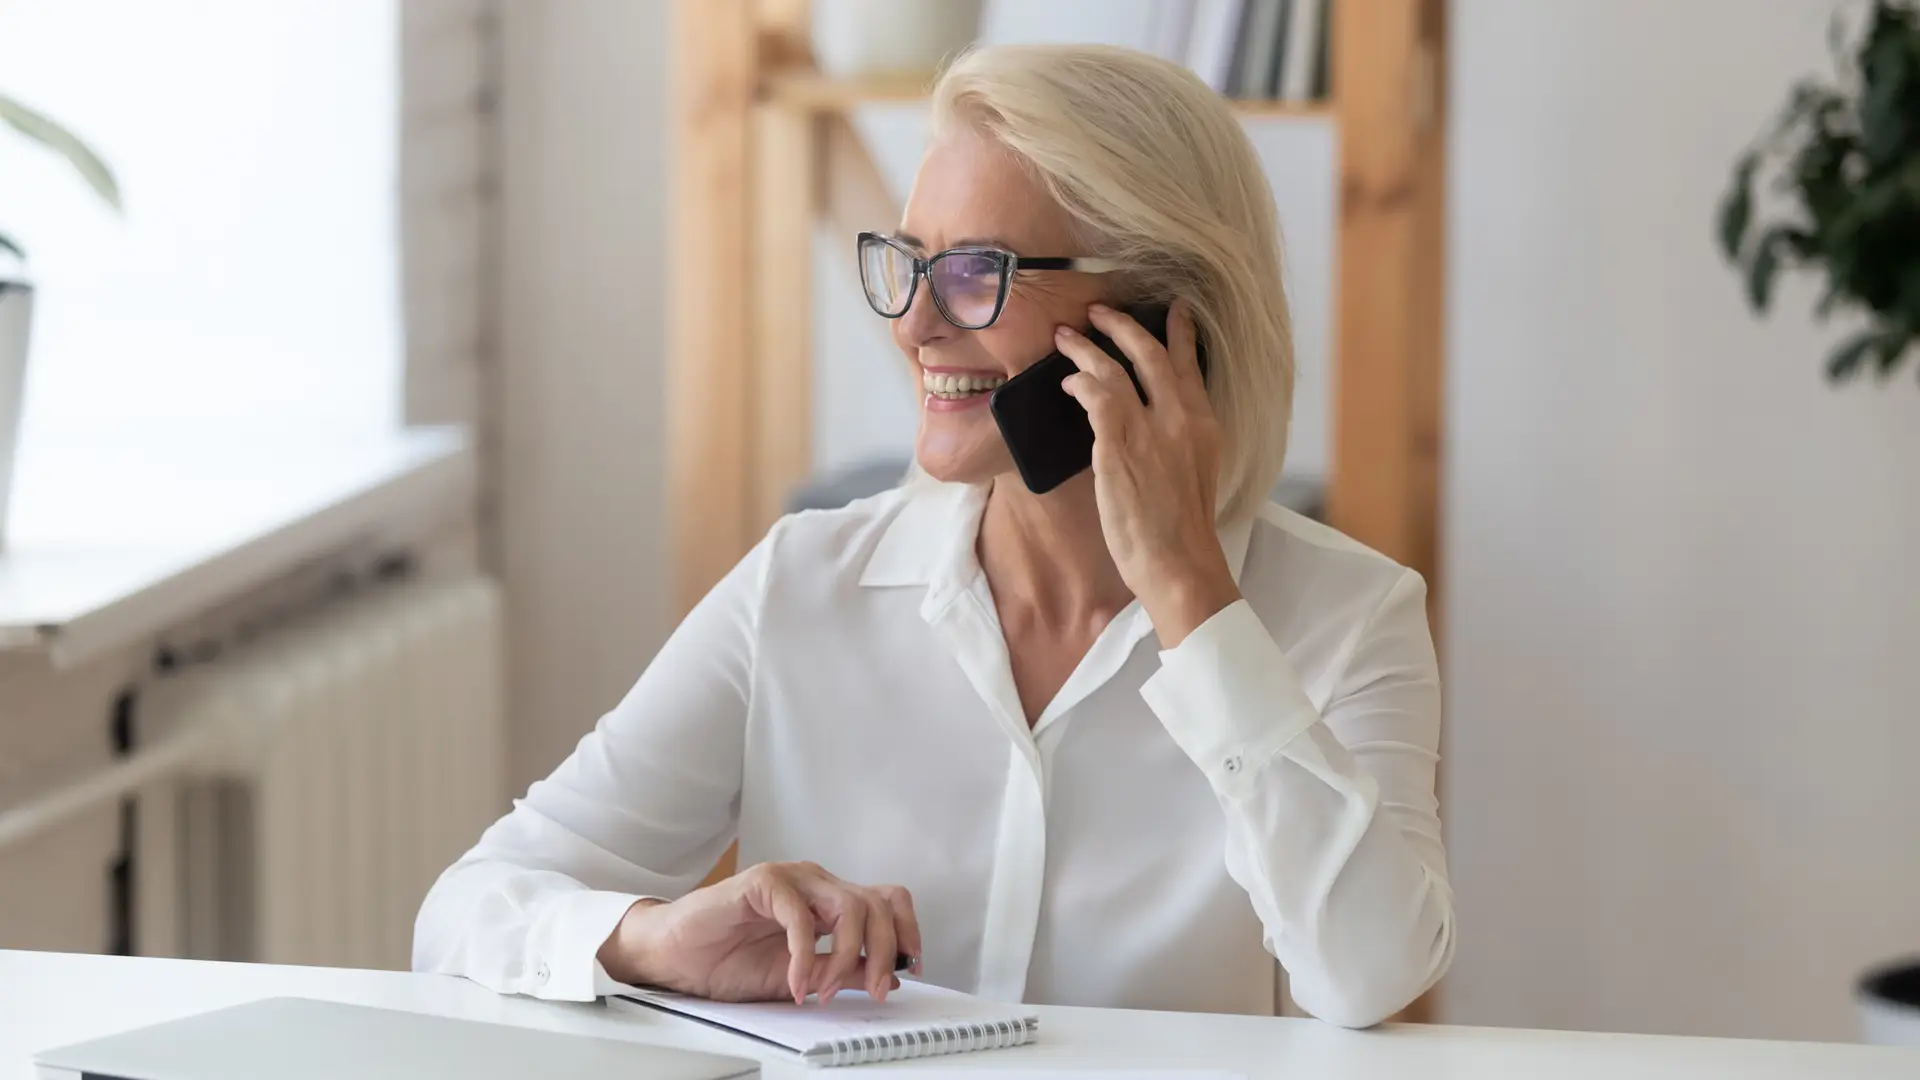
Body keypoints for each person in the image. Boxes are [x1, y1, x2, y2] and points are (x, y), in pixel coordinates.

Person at [414, 42, 1453, 1029]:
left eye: (975, 274)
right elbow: (465, 911)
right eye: (908, 265)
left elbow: (1367, 975)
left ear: (1156, 318)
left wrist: (1192, 597)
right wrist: (652, 938)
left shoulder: (1348, 620)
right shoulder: (802, 588)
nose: (914, 324)